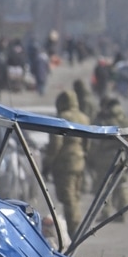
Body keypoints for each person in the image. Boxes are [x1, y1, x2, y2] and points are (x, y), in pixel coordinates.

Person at [44, 91, 90, 239]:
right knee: (75, 195)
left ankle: (74, 229)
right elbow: (87, 142)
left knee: (68, 196)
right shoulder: (84, 118)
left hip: (65, 161)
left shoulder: (62, 118)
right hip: (79, 160)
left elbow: (56, 144)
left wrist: (48, 162)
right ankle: (76, 225)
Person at [88, 96, 128, 220]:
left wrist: (91, 158)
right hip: (122, 156)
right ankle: (122, 212)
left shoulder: (101, 120)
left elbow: (94, 142)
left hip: (103, 157)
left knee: (104, 186)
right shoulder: (126, 120)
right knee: (122, 184)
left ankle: (106, 212)